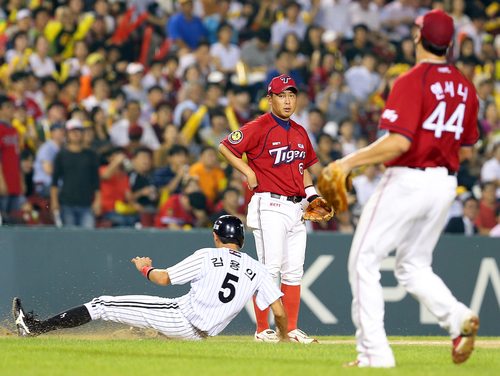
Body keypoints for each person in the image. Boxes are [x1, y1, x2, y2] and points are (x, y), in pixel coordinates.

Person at [330, 10, 480, 367]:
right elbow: (469, 146)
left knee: (363, 259)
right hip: (445, 183)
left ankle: (374, 353)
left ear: (418, 37)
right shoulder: (465, 85)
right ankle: (457, 318)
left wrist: (348, 162)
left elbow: (397, 143)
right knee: (413, 265)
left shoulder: (411, 80)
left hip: (410, 179)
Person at [12, 215, 291, 342]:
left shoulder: (208, 254)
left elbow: (164, 279)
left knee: (102, 304)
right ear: (242, 240)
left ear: (216, 237)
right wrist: (283, 337)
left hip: (181, 319)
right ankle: (145, 333)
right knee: (151, 336)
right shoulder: (258, 269)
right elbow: (279, 311)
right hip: (201, 336)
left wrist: (145, 269)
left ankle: (34, 329)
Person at [219, 75, 328, 343]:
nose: (288, 100)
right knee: (269, 270)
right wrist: (247, 170)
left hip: (297, 208)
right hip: (269, 204)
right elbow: (225, 146)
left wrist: (313, 195)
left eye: (291, 95)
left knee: (293, 272)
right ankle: (261, 330)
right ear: (270, 99)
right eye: (281, 95)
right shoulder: (259, 126)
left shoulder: (301, 132)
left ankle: (289, 330)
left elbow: (304, 170)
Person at [51, 119, 101, 228]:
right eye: (72, 131)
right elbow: (54, 180)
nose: (75, 134)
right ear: (67, 134)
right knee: (70, 239)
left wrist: (97, 200)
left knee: (87, 238)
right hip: (66, 203)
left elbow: (96, 180)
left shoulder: (91, 155)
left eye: (78, 131)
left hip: (87, 204)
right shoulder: (61, 155)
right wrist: (54, 201)